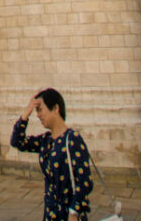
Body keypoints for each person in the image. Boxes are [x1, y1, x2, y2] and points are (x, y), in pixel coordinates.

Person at [11, 88, 93, 220]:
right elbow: (17, 141)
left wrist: (74, 213)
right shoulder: (46, 141)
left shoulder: (73, 140)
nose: (38, 115)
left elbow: (85, 182)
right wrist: (27, 112)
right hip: (50, 213)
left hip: (68, 214)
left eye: (40, 110)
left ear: (55, 108)